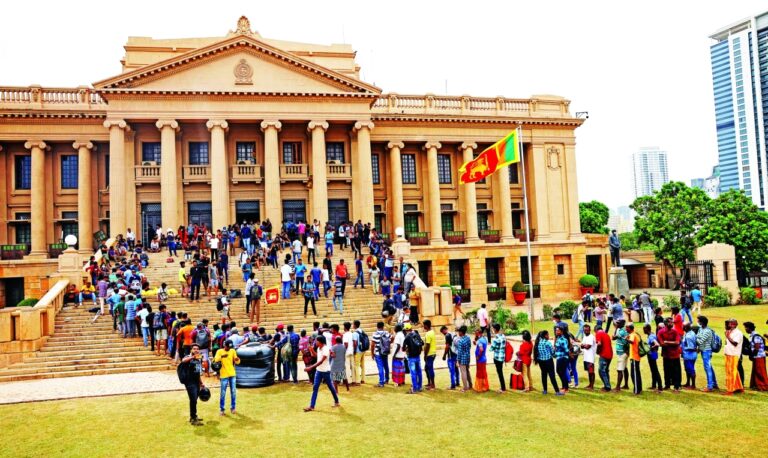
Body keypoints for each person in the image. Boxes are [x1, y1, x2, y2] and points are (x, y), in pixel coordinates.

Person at [303, 335, 340, 412]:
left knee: (331, 387)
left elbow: (321, 361)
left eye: (316, 341)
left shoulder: (325, 349)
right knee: (315, 388)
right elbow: (316, 356)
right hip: (319, 371)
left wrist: (310, 367)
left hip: (325, 371)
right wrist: (311, 350)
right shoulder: (319, 348)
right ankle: (311, 406)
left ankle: (336, 401)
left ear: (320, 342)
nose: (315, 342)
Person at [180, 343, 206, 425]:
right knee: (193, 399)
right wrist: (193, 357)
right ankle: (193, 419)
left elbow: (197, 373)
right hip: (189, 382)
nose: (196, 350)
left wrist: (201, 383)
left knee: (194, 400)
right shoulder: (188, 357)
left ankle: (193, 416)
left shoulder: (198, 359)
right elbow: (183, 361)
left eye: (197, 349)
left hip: (196, 382)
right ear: (191, 350)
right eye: (194, 348)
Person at [534, 330, 562, 396]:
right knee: (552, 376)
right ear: (545, 335)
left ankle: (545, 390)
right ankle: (557, 391)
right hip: (548, 361)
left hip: (541, 361)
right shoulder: (547, 343)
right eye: (548, 335)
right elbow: (553, 353)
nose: (548, 336)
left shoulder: (538, 342)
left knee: (544, 375)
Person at [659, 318, 682, 392]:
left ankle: (677, 386)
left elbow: (677, 342)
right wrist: (671, 343)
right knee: (666, 370)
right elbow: (662, 343)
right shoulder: (661, 332)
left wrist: (666, 342)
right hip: (666, 355)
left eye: (672, 322)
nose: (672, 323)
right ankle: (667, 385)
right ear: (666, 323)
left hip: (675, 355)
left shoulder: (675, 331)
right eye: (670, 322)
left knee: (676, 371)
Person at [695, 316, 718, 392]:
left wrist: (695, 337)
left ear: (701, 322)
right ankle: (714, 384)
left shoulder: (708, 331)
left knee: (707, 368)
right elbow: (699, 338)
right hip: (703, 350)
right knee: (709, 367)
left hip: (707, 351)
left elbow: (700, 341)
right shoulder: (701, 329)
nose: (697, 322)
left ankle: (710, 386)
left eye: (698, 321)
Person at [744, 321, 768, 391]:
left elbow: (757, 347)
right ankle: (756, 385)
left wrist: (752, 355)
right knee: (756, 371)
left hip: (759, 356)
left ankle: (763, 386)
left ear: (749, 328)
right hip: (757, 356)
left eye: (746, 328)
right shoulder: (752, 335)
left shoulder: (756, 335)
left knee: (760, 371)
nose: (745, 329)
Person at [724, 318, 745, 395]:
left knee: (731, 373)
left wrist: (728, 336)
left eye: (729, 323)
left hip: (734, 354)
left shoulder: (738, 333)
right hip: (728, 353)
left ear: (734, 324)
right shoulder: (730, 331)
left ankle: (730, 390)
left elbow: (735, 343)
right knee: (733, 371)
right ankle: (739, 387)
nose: (727, 325)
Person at [403, 323, 424, 394]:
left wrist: (406, 350)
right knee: (419, 372)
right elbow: (422, 343)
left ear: (406, 330)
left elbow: (403, 347)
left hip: (411, 357)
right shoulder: (416, 334)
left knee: (413, 373)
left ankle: (414, 388)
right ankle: (420, 387)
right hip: (417, 356)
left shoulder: (407, 336)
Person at [644, 324, 662, 392]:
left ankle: (659, 387)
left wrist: (649, 348)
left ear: (647, 329)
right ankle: (654, 385)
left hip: (652, 354)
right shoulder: (652, 335)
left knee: (655, 370)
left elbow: (657, 344)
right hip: (653, 354)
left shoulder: (651, 337)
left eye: (644, 329)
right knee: (653, 369)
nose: (643, 330)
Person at [372, 321, 391, 387]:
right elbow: (392, 338)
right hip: (385, 352)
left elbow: (372, 344)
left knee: (380, 367)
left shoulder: (375, 334)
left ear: (377, 326)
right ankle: (387, 379)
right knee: (386, 365)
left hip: (378, 352)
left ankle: (381, 382)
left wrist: (372, 353)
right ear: (383, 326)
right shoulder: (386, 333)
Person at [612, 320, 629, 391]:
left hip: (622, 353)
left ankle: (617, 387)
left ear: (621, 324)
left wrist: (615, 328)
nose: (616, 324)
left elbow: (613, 337)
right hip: (624, 352)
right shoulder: (623, 330)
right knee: (624, 368)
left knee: (620, 370)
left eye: (618, 323)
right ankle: (626, 385)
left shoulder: (621, 331)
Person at [595, 324, 613, 391]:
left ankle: (607, 387)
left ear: (596, 330)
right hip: (610, 354)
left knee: (601, 371)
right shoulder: (606, 334)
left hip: (604, 355)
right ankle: (607, 385)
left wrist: (597, 351)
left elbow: (599, 343)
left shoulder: (598, 333)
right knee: (606, 371)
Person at [490, 323, 507, 393]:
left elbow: (491, 348)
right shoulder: (503, 336)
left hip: (497, 357)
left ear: (494, 329)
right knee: (500, 372)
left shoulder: (496, 339)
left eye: (492, 328)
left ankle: (503, 388)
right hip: (502, 356)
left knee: (500, 373)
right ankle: (503, 387)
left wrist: (494, 347)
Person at [626, 323, 642, 395]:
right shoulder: (635, 334)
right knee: (637, 373)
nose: (626, 329)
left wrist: (627, 339)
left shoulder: (632, 335)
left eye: (627, 328)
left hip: (634, 357)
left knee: (634, 374)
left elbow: (632, 341)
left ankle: (636, 390)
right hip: (636, 357)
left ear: (630, 328)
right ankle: (639, 388)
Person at [455, 325, 472, 392]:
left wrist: (457, 361)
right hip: (468, 356)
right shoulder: (468, 338)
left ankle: (465, 387)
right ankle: (470, 385)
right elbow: (470, 346)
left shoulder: (460, 341)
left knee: (463, 372)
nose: (458, 333)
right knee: (467, 371)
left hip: (462, 358)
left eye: (459, 331)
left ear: (461, 332)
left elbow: (459, 352)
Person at [441, 325, 459, 390]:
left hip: (451, 355)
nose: (443, 334)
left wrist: (444, 355)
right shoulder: (453, 334)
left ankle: (453, 385)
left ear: (444, 330)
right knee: (456, 368)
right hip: (456, 353)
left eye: (442, 332)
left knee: (452, 370)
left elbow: (447, 346)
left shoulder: (447, 335)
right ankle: (457, 382)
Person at [681, 323, 698, 390]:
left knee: (691, 370)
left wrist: (683, 349)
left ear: (685, 328)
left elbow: (691, 347)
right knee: (687, 369)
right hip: (690, 355)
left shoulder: (688, 336)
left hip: (689, 355)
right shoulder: (691, 333)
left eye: (683, 326)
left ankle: (693, 385)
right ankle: (688, 383)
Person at [554, 327, 570, 393]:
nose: (556, 332)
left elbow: (566, 349)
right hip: (559, 357)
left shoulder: (562, 339)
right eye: (556, 331)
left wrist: (569, 354)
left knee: (562, 372)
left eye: (558, 331)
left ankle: (566, 388)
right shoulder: (558, 338)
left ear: (561, 331)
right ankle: (564, 386)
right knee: (559, 371)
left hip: (563, 358)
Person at [580, 324, 596, 390]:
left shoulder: (591, 337)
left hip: (590, 357)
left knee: (591, 372)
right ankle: (590, 384)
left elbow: (587, 347)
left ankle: (592, 386)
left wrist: (583, 345)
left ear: (590, 330)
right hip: (586, 357)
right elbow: (582, 346)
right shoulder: (585, 337)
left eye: (587, 330)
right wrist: (583, 345)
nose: (586, 331)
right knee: (589, 372)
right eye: (584, 330)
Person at [423, 320, 437, 390]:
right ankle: (429, 383)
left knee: (430, 369)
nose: (423, 327)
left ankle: (433, 385)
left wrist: (425, 355)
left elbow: (427, 345)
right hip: (433, 353)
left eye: (424, 325)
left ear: (426, 325)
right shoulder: (432, 332)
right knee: (426, 368)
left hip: (430, 354)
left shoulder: (428, 334)